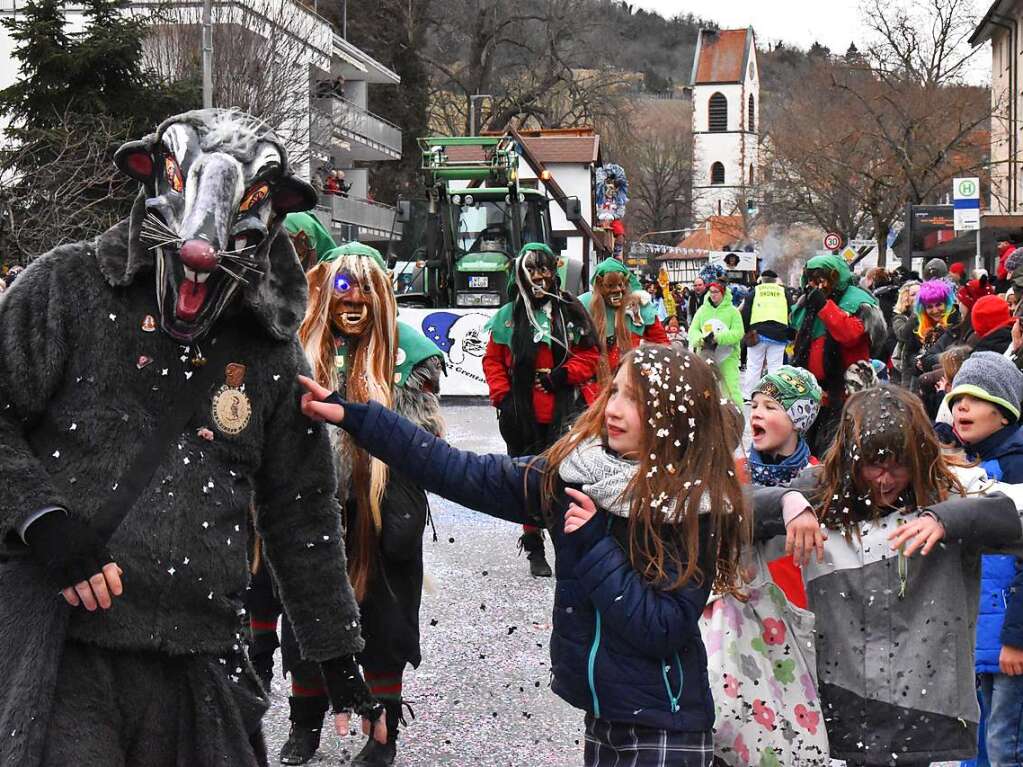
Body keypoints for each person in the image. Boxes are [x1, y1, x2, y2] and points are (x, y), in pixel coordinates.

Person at [0, 108, 381, 766]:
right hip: (65, 647)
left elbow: (299, 510)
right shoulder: (65, 287)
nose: (201, 257)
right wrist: (42, 517)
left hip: (199, 656)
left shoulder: (271, 354)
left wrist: (339, 659)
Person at [299, 344, 751, 767]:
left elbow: (661, 627)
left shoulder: (690, 506)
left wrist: (593, 543)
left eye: (634, 401)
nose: (612, 409)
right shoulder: (575, 474)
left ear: (671, 419)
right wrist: (357, 419)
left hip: (666, 727)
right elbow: (456, 470)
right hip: (604, 712)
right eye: (614, 391)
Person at [755, 385, 1023, 765]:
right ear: (850, 459)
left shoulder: (948, 490)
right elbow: (728, 515)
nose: (885, 479)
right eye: (872, 464)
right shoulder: (822, 494)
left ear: (919, 456)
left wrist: (952, 518)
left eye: (898, 464)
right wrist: (783, 502)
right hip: (846, 700)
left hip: (927, 707)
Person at [256, 242, 445, 766]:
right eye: (344, 287)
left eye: (366, 288)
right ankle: (304, 723)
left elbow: (423, 438)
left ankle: (382, 734)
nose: (354, 299)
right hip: (314, 506)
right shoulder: (299, 350)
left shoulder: (410, 355)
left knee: (385, 622)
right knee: (305, 620)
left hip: (381, 505)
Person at [482, 243, 599, 577]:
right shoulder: (507, 316)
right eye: (532, 270)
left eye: (544, 269)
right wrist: (503, 398)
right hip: (522, 419)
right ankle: (534, 546)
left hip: (564, 416)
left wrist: (562, 376)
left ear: (554, 272)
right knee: (526, 485)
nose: (539, 277)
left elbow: (590, 356)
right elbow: (492, 361)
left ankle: (567, 544)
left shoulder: (569, 311)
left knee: (565, 484)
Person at [944, 353, 1023, 767]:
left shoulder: (1015, 467)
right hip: (977, 635)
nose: (961, 408)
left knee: (1005, 744)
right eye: (957, 399)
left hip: (1010, 641)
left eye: (973, 399)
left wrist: (1016, 638)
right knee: (973, 737)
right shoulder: (966, 465)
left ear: (1005, 411)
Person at [790, 253, 885, 456]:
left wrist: (825, 306)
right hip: (814, 390)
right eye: (813, 280)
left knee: (841, 446)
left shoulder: (859, 301)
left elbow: (849, 334)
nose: (818, 285)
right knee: (809, 447)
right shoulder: (808, 300)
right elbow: (797, 329)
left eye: (822, 279)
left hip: (848, 391)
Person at [746, 365, 822, 608]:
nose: (756, 413)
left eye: (770, 407)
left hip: (797, 607)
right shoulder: (735, 473)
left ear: (798, 419)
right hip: (746, 608)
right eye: (754, 405)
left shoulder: (818, 477)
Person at [579, 257, 669, 386]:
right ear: (599, 285)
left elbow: (662, 345)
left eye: (620, 285)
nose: (616, 290)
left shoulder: (640, 306)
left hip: (632, 381)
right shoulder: (585, 305)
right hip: (594, 383)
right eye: (610, 286)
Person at [688, 278, 745, 406]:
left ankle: (735, 417)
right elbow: (693, 330)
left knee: (730, 388)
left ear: (723, 293)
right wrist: (700, 339)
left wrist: (718, 338)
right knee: (703, 387)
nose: (713, 294)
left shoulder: (733, 312)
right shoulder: (702, 310)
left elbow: (738, 333)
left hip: (727, 356)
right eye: (711, 292)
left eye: (716, 292)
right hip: (705, 355)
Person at [740, 269, 791, 402]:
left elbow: (746, 313)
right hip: (779, 334)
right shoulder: (784, 292)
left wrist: (746, 331)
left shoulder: (754, 292)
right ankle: (772, 395)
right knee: (775, 367)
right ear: (775, 280)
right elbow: (791, 311)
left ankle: (749, 395)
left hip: (758, 334)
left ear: (761, 279)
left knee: (754, 365)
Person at [891, 280, 921, 387]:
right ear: (906, 299)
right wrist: (916, 314)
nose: (918, 296)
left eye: (921, 292)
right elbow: (902, 335)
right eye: (913, 294)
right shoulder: (900, 318)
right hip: (909, 369)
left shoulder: (931, 312)